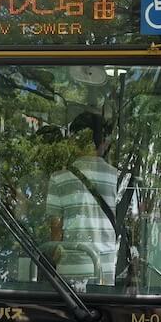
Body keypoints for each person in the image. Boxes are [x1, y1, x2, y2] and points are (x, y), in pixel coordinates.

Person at [46, 112, 121, 286]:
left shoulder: (59, 178)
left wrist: (55, 256)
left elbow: (56, 228)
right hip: (106, 270)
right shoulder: (118, 178)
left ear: (73, 141)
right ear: (104, 143)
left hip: (71, 270)